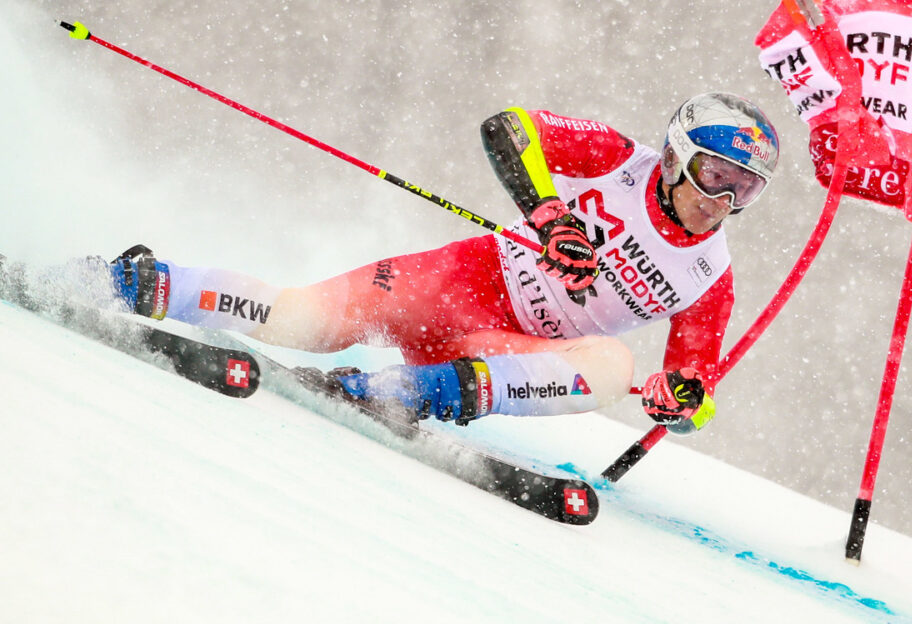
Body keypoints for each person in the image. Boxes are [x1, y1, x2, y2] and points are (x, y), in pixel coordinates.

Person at [108, 92, 779, 433]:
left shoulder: (709, 275)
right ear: (673, 157)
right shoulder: (617, 159)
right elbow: (509, 127)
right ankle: (139, 281)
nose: (721, 200)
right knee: (301, 320)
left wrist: (682, 402)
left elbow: (698, 393)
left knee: (615, 367)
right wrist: (547, 212)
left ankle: (402, 392)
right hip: (460, 281)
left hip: (495, 350)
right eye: (714, 174)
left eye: (744, 189)